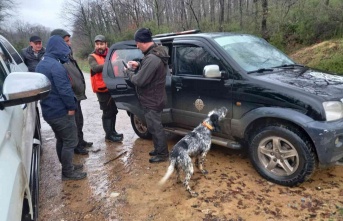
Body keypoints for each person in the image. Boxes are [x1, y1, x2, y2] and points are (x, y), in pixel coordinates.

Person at [35, 35, 87, 181]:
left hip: (49, 110)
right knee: (71, 141)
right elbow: (64, 90)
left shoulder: (42, 63)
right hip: (60, 112)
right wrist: (71, 107)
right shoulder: (56, 67)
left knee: (61, 139)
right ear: (58, 48)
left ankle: (67, 165)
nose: (66, 51)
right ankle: (68, 172)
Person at [124, 28, 169, 163]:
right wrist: (139, 64)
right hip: (155, 97)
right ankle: (158, 148)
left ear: (143, 42)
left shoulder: (152, 58)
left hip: (152, 99)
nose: (137, 46)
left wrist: (128, 72)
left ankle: (162, 153)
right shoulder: (155, 53)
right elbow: (151, 69)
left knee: (156, 127)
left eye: (137, 43)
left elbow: (139, 81)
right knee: (152, 125)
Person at [50, 28, 92, 155]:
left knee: (79, 120)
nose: (69, 43)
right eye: (66, 41)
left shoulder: (67, 54)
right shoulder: (57, 60)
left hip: (76, 96)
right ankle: (76, 146)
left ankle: (80, 140)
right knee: (73, 123)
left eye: (69, 40)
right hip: (70, 97)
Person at [88, 35, 123, 142]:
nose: (99, 46)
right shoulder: (92, 57)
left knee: (114, 111)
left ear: (106, 44)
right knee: (107, 112)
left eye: (101, 44)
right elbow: (95, 68)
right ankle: (109, 135)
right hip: (102, 89)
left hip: (113, 87)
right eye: (97, 44)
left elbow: (119, 65)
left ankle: (113, 131)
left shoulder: (112, 54)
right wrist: (111, 63)